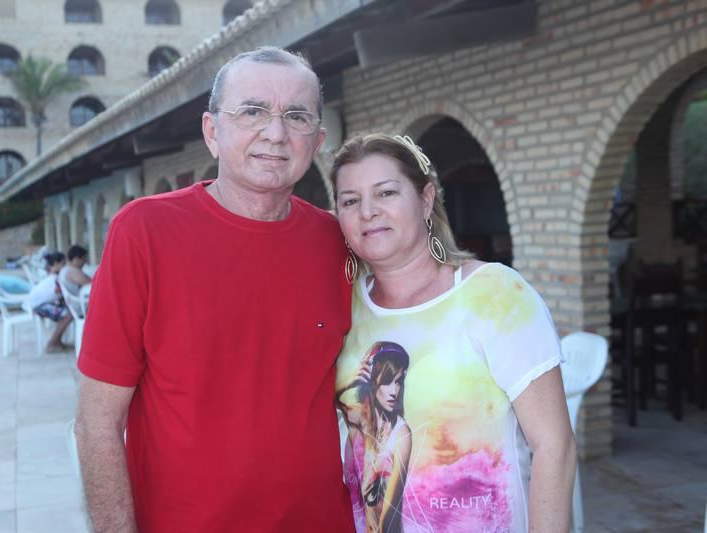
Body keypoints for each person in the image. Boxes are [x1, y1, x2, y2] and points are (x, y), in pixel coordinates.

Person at [75, 47, 354, 532]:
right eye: (252, 111)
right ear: (211, 132)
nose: (275, 133)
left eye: (296, 116)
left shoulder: (338, 242)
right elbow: (97, 423)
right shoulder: (145, 232)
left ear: (317, 140)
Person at [332, 134, 576, 533]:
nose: (368, 212)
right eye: (350, 201)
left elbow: (555, 445)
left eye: (386, 192)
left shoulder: (494, 294)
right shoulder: (344, 305)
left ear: (426, 199)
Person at [337, 341, 412, 533]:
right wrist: (349, 382)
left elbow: (390, 511)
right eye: (387, 381)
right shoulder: (359, 418)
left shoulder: (401, 433)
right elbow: (323, 401)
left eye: (398, 381)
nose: (394, 391)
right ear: (371, 380)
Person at [23, 252, 73, 353]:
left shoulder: (51, 275)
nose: (65, 267)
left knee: (69, 311)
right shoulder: (56, 278)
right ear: (56, 264)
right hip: (37, 306)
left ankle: (58, 342)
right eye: (63, 264)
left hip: (37, 303)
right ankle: (52, 344)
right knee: (68, 315)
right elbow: (60, 292)